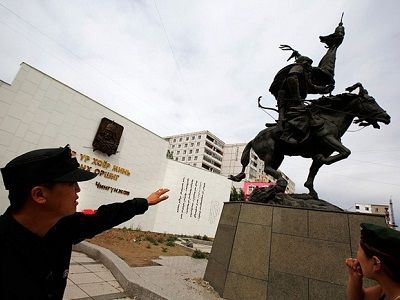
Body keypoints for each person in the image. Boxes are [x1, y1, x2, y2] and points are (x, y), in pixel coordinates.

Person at [0, 145, 169, 299]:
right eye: (71, 183)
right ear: (39, 195)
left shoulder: (62, 227)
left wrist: (145, 202)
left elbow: (104, 216)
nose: (78, 189)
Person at [269, 46, 334, 143]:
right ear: (304, 63)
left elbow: (311, 88)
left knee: (306, 112)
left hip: (290, 98)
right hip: (287, 98)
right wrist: (297, 98)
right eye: (309, 63)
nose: (310, 66)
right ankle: (286, 135)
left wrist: (324, 89)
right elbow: (292, 78)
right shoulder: (299, 67)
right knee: (304, 113)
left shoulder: (305, 74)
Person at [345, 223, 400, 300]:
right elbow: (362, 298)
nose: (357, 260)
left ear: (375, 263)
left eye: (358, 252)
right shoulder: (388, 289)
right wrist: (354, 276)